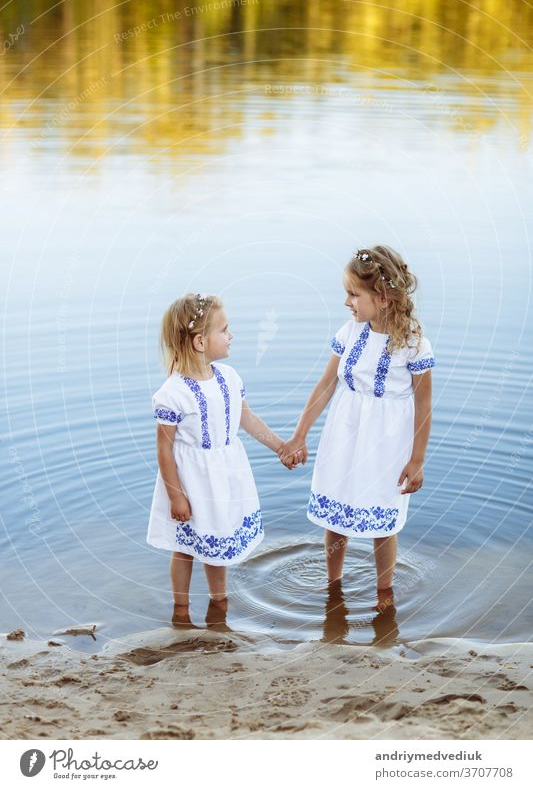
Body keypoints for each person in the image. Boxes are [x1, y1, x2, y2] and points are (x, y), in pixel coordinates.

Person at [279, 246, 435, 610]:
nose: (347, 301)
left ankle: (384, 591)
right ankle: (333, 582)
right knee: (337, 507)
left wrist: (417, 459)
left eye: (354, 294)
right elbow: (325, 385)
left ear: (381, 298)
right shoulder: (351, 332)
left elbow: (424, 404)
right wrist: (300, 433)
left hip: (386, 443)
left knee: (384, 516)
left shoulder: (413, 344)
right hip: (343, 435)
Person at [147, 293, 301, 628]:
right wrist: (176, 494)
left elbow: (246, 418)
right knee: (185, 546)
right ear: (201, 341)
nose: (231, 336)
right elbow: (164, 449)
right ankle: (181, 611)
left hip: (225, 476)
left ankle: (219, 604)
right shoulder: (173, 393)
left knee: (217, 542)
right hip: (190, 480)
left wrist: (280, 446)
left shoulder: (229, 377)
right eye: (225, 330)